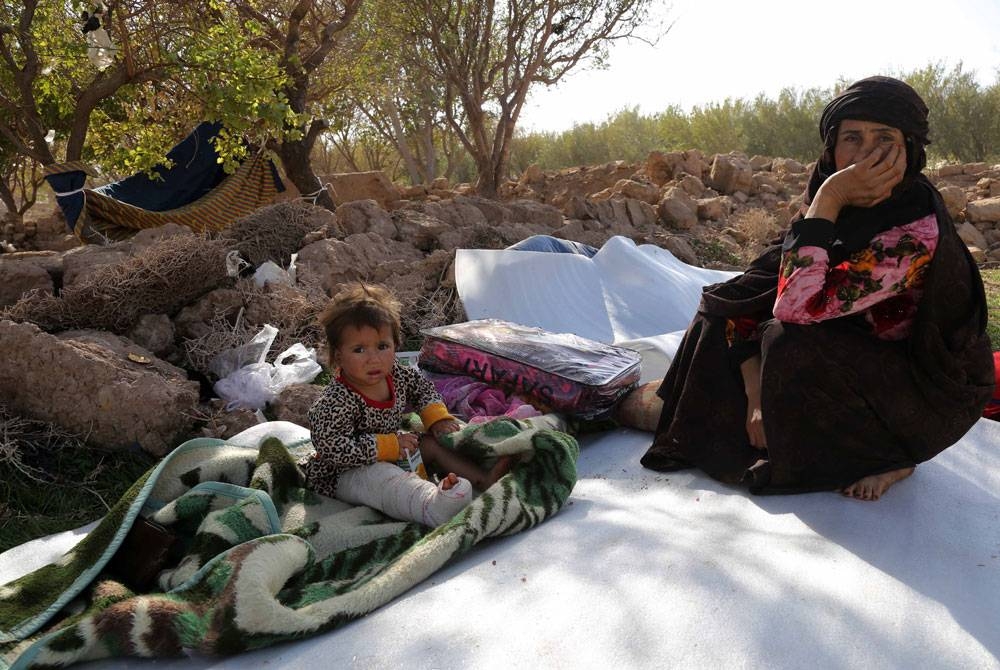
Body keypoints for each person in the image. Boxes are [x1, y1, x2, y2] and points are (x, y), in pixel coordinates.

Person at [641, 76, 994, 501]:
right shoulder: (837, 208)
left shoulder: (912, 233)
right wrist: (754, 389)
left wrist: (830, 196)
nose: (866, 153)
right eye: (852, 138)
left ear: (910, 149)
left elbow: (795, 307)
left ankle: (890, 458)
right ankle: (756, 415)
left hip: (918, 393)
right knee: (722, 311)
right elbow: (759, 292)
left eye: (884, 138)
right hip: (846, 353)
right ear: (832, 148)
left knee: (789, 343)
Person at [300, 283, 512, 525]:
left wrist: (437, 417)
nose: (373, 358)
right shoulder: (336, 400)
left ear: (395, 345)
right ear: (338, 356)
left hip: (393, 451)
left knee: (433, 443)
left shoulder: (398, 376)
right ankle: (431, 506)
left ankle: (483, 479)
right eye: (359, 349)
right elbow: (333, 448)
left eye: (382, 346)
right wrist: (387, 446)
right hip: (344, 473)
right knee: (381, 477)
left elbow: (423, 389)